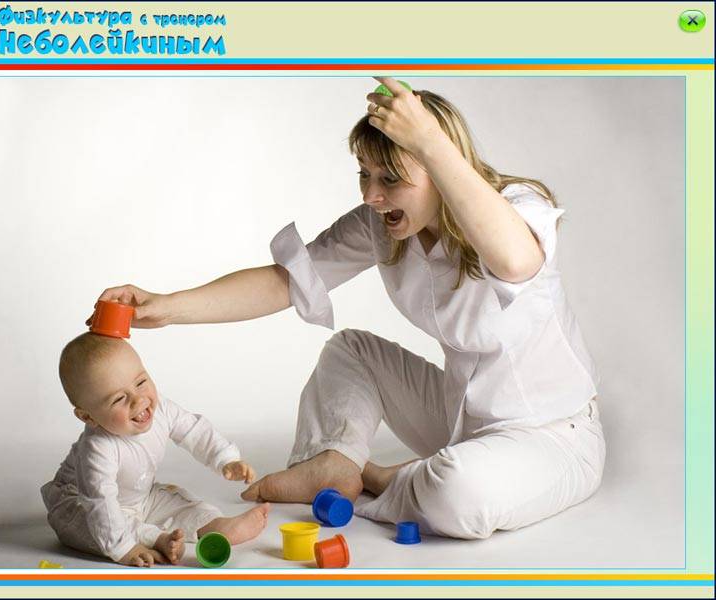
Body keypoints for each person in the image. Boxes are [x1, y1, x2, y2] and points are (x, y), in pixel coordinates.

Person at [92, 77, 605, 540]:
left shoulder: (517, 206)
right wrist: (167, 307)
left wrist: (428, 139)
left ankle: (381, 476)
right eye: (365, 174)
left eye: (391, 178)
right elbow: (283, 282)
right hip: (460, 417)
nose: (373, 195)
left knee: (459, 492)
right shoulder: (383, 226)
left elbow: (514, 261)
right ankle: (336, 463)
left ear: (440, 166)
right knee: (350, 351)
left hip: (552, 435)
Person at [41, 333, 270, 567]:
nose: (138, 400)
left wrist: (225, 459)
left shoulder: (161, 409)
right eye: (119, 399)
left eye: (140, 382)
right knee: (87, 526)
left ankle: (214, 525)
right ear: (88, 417)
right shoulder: (97, 448)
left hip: (142, 497)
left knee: (177, 501)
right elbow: (100, 502)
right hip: (80, 502)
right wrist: (124, 549)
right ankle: (155, 539)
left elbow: (194, 430)